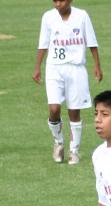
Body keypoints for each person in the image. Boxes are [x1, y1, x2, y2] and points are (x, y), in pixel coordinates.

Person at [33, 0, 103, 165]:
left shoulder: (82, 16)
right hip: (54, 68)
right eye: (54, 1)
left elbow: (91, 42)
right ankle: (58, 142)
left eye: (61, 0)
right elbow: (43, 43)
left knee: (74, 111)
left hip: (76, 68)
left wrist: (97, 66)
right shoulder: (48, 17)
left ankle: (74, 151)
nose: (57, 4)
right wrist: (37, 67)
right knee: (54, 108)